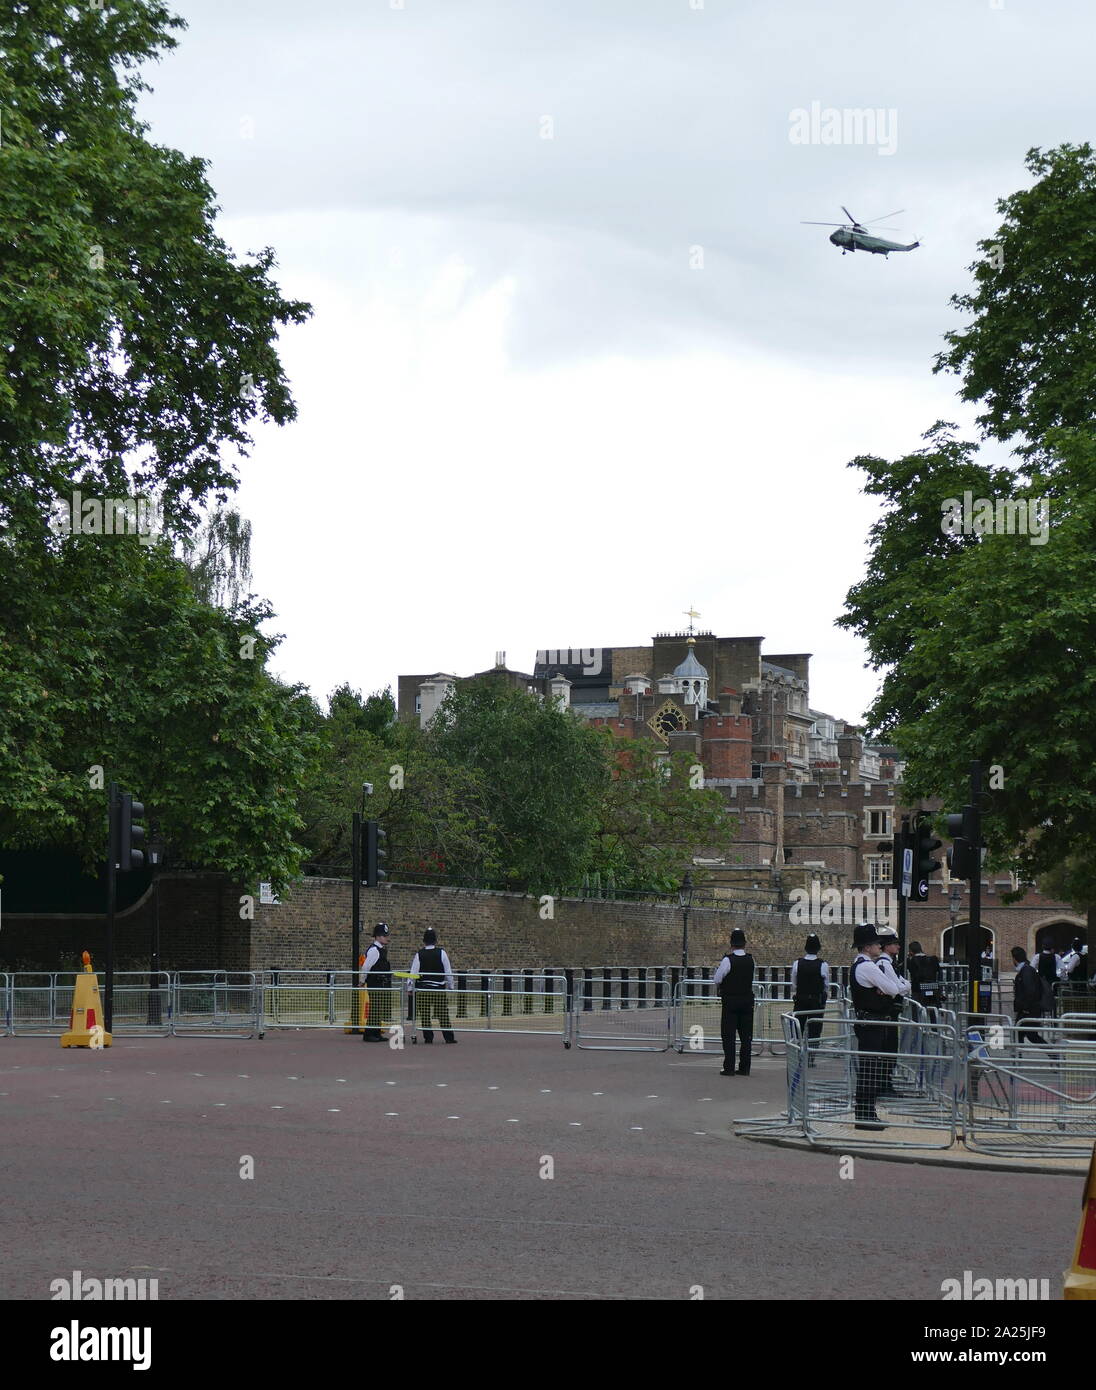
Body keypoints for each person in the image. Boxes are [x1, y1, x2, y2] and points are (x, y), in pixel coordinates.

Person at [849, 925, 905, 1130]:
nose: (879, 947)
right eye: (876, 944)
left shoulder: (858, 964)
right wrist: (884, 990)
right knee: (870, 1070)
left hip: (866, 1022)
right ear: (867, 947)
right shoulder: (868, 967)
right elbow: (893, 988)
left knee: (868, 1069)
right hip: (872, 1023)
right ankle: (865, 1117)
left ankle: (866, 1114)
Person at [874, 925, 910, 1094]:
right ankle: (884, 1085)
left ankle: (885, 1082)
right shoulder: (884, 964)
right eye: (895, 943)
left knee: (890, 1049)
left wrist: (902, 986)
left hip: (891, 1012)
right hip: (887, 1013)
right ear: (886, 946)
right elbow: (897, 988)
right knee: (887, 1049)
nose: (898, 946)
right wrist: (902, 986)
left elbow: (905, 985)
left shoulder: (889, 963)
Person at [713, 929, 755, 1077]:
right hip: (747, 1001)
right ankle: (744, 1068)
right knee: (746, 1037)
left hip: (730, 1001)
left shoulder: (727, 960)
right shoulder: (751, 959)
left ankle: (729, 1067)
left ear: (732, 943)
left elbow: (717, 979)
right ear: (744, 944)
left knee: (729, 1036)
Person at [409, 928, 458, 1044]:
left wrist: (410, 988)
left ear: (424, 941)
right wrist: (451, 986)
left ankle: (428, 1038)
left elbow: (413, 973)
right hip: (438, 989)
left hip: (423, 989)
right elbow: (448, 972)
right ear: (435, 941)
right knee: (442, 1013)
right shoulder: (442, 953)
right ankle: (449, 1038)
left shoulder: (419, 954)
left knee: (425, 1014)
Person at [790, 934, 829, 1065]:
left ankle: (798, 1055)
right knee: (815, 1030)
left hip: (801, 1000)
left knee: (798, 1029)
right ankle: (811, 1058)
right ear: (818, 948)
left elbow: (794, 983)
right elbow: (826, 985)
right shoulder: (823, 965)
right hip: (816, 1002)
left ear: (805, 948)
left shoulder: (797, 963)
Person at [359, 922, 393, 1042]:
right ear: (377, 936)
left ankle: (376, 1032)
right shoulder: (374, 950)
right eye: (384, 935)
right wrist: (362, 980)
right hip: (375, 982)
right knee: (375, 1008)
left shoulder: (380, 949)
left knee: (379, 1008)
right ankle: (369, 1034)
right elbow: (366, 967)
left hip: (381, 983)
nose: (387, 938)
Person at [1011, 946, 1047, 1045]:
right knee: (1019, 1034)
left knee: (1031, 1036)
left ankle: (1055, 1056)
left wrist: (1025, 1008)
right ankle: (1018, 1057)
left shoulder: (1026, 971)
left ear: (1014, 958)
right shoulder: (1026, 969)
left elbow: (1030, 990)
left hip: (1029, 1010)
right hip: (1027, 1009)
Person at [906, 941, 942, 1008]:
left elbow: (911, 971)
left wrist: (908, 958)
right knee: (932, 1008)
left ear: (911, 951)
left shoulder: (912, 960)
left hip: (917, 989)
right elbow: (938, 971)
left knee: (917, 1008)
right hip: (932, 987)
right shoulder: (933, 959)